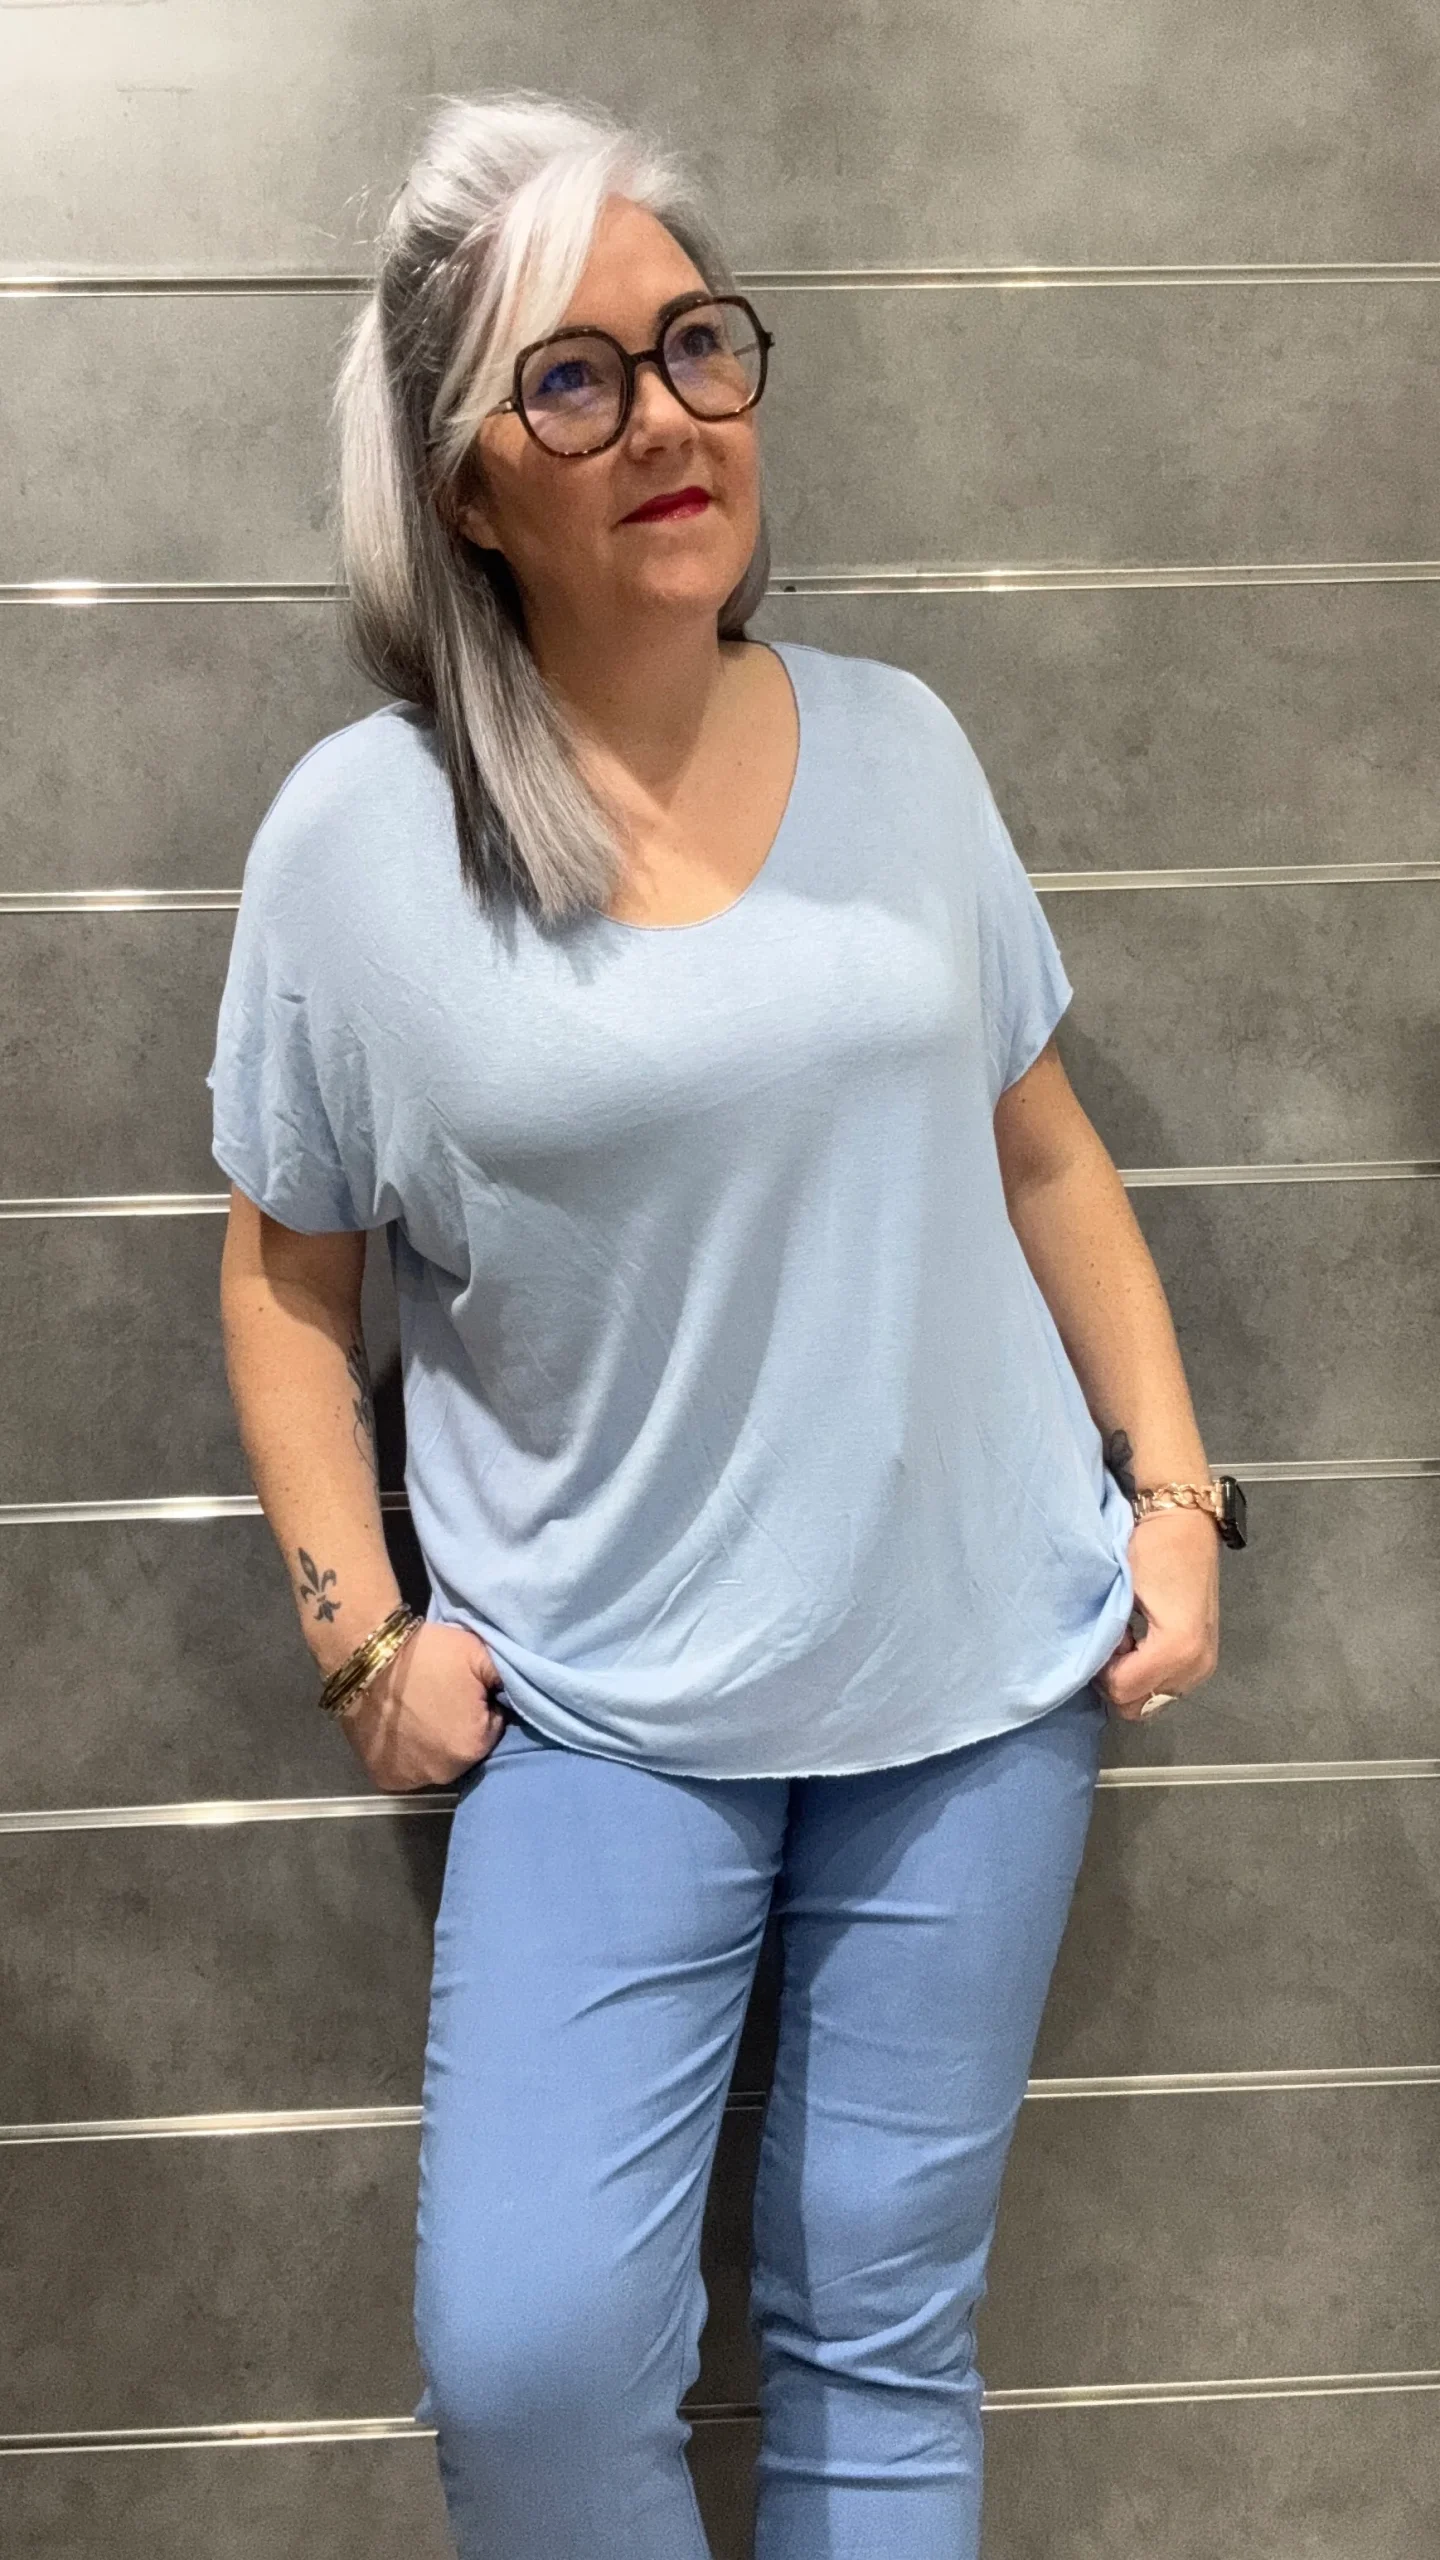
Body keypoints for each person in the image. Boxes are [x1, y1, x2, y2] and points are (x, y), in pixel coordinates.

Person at [208, 88, 1229, 2560]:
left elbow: (1043, 1147)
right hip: (598, 1706)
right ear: (460, 483)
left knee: (880, 2330)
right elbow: (285, 1276)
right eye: (572, 378)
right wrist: (360, 1641)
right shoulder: (360, 844)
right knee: (536, 2362)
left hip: (973, 1674)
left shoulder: (902, 747)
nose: (667, 417)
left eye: (694, 346)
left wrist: (1178, 1495)